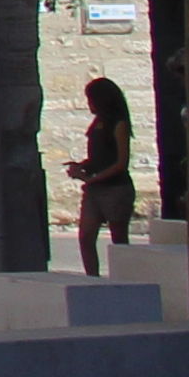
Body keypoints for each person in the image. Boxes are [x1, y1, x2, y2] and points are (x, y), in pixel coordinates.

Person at [68, 75, 140, 277]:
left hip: (115, 189)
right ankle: (92, 277)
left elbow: (120, 163)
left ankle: (124, 277)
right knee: (86, 237)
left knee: (119, 239)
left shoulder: (119, 124)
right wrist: (82, 167)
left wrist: (93, 178)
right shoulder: (98, 123)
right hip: (96, 189)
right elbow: (99, 156)